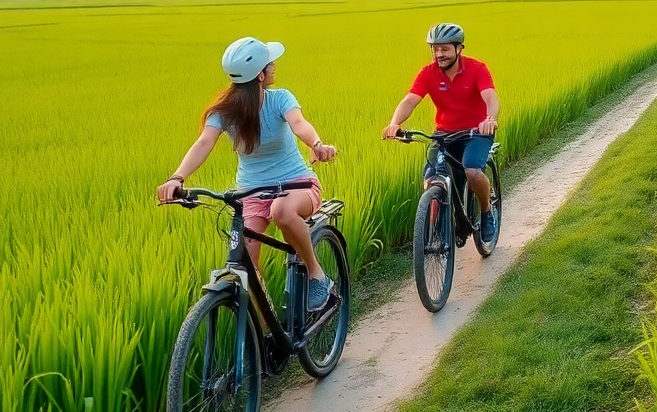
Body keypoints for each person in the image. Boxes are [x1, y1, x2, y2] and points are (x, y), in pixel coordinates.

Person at [157, 36, 338, 311]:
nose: (274, 66)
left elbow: (299, 123)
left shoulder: (280, 99)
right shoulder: (224, 112)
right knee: (246, 271)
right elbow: (204, 142)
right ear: (259, 75)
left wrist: (316, 144)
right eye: (270, 63)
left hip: (297, 185)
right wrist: (177, 177)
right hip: (252, 194)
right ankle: (265, 339)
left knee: (281, 210)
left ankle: (316, 274)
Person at [382, 23, 500, 242]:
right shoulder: (428, 73)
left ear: (459, 48)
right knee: (430, 180)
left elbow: (491, 97)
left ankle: (486, 214)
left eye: (444, 49)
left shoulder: (477, 69)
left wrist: (489, 119)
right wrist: (394, 123)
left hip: (477, 132)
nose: (439, 54)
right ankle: (438, 227)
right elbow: (410, 100)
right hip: (445, 134)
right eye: (435, 49)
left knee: (472, 171)